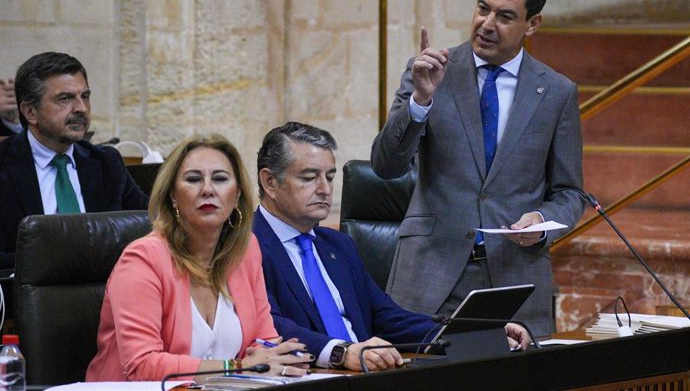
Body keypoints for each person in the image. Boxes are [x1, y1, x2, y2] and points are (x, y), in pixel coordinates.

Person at [371, 0, 585, 337]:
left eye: (505, 16)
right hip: (429, 275)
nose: (487, 24)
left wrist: (541, 222)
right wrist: (420, 101)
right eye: (482, 8)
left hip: (514, 279)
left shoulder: (556, 92)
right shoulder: (429, 72)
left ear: (532, 23)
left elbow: (570, 193)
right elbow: (386, 165)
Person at [253, 122, 529, 372]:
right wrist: (341, 352)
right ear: (270, 182)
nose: (325, 189)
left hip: (367, 377)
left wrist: (473, 332)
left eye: (330, 176)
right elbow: (269, 326)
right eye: (309, 177)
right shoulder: (242, 247)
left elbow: (385, 316)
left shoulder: (338, 245)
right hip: (307, 377)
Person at [87, 134, 312, 381]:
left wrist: (274, 359)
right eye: (193, 179)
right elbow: (143, 366)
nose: (207, 189)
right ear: (173, 195)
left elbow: (264, 340)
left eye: (220, 179)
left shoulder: (246, 250)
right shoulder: (142, 260)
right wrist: (238, 367)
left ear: (236, 194)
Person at [0, 52, 149, 269]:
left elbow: (150, 227)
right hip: (22, 298)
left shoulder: (107, 164)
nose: (81, 108)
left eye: (85, 96)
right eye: (65, 98)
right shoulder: (4, 164)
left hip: (104, 295)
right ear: (30, 112)